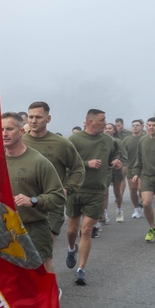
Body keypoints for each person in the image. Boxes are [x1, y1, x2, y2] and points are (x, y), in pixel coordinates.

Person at [65, 109, 124, 286]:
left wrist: (116, 161)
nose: (106, 123)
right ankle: (71, 248)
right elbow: (65, 164)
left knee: (87, 230)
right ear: (90, 121)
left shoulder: (108, 140)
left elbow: (115, 155)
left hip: (97, 191)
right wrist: (86, 164)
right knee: (72, 230)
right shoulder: (74, 140)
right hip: (76, 189)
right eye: (102, 120)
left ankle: (81, 270)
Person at [2, 112, 65, 273]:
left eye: (9, 129)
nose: (4, 133)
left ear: (22, 131)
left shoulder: (39, 162)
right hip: (3, 229)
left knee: (41, 273)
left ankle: (51, 297)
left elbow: (58, 197)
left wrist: (34, 201)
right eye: (1, 129)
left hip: (33, 228)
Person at [24, 101, 84, 244]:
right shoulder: (20, 141)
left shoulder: (62, 144)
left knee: (45, 246)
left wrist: (67, 189)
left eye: (38, 117)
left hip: (51, 204)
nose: (33, 121)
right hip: (24, 203)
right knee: (26, 250)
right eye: (30, 117)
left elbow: (78, 169)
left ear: (48, 119)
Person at [123, 119, 145, 219]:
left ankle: (143, 201)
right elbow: (123, 154)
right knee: (132, 189)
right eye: (133, 125)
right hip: (131, 167)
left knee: (141, 189)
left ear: (142, 126)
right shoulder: (127, 140)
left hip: (143, 168)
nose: (135, 127)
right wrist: (124, 165)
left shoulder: (145, 138)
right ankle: (137, 208)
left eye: (137, 125)